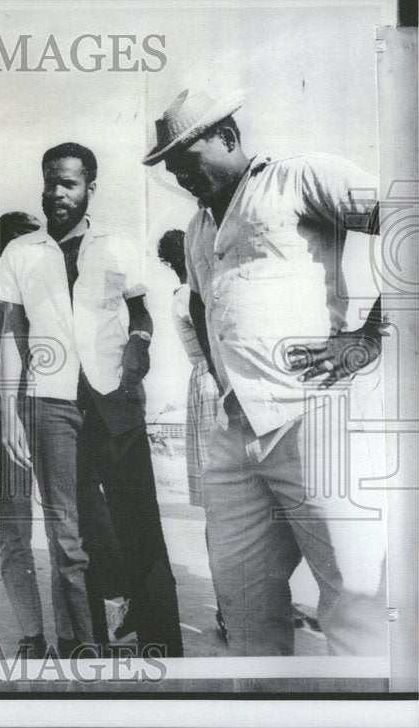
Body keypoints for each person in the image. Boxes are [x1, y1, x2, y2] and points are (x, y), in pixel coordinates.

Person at [142, 88, 388, 655]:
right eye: (170, 165)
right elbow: (203, 302)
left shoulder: (299, 178)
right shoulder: (199, 224)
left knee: (355, 603)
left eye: (187, 157)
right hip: (236, 434)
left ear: (227, 138)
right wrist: (228, 379)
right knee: (244, 605)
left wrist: (369, 336)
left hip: (316, 420)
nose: (179, 173)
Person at [0, 143, 183, 657]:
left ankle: (162, 651)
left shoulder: (119, 246)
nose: (57, 192)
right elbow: (12, 333)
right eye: (50, 181)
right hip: (50, 405)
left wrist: (139, 345)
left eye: (69, 183)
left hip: (114, 402)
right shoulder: (21, 253)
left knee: (139, 526)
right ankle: (87, 652)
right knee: (69, 541)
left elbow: (141, 316)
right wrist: (9, 410)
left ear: (89, 189)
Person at [0, 211, 68, 659]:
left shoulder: (53, 297)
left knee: (67, 532)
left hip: (51, 417)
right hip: (9, 425)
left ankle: (74, 632)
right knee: (15, 536)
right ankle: (32, 633)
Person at [158, 228, 227, 642]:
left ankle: (237, 602)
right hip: (214, 384)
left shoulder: (182, 296)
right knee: (224, 504)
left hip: (205, 385)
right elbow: (214, 346)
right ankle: (229, 607)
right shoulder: (188, 296)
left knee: (225, 505)